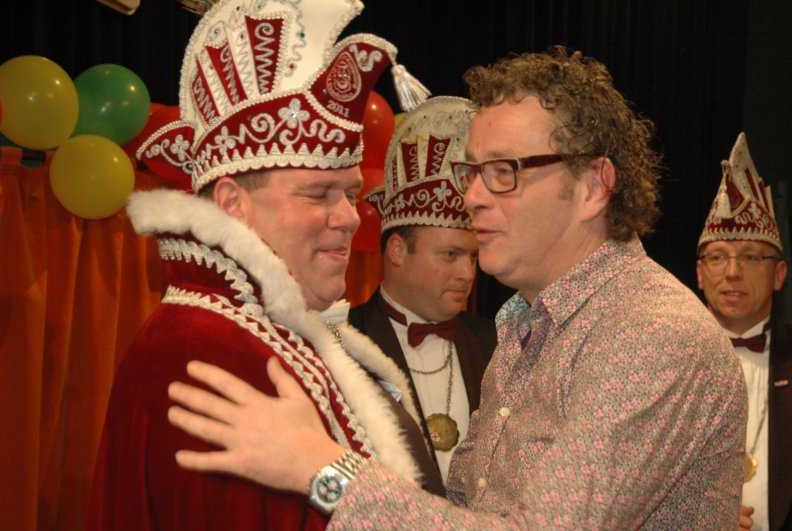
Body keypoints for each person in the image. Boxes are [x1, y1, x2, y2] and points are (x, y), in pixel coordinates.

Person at [164, 46, 748, 528]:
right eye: (471, 171)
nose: (471, 196)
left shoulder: (650, 333)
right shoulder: (524, 328)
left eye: (504, 171)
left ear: (594, 185)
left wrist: (326, 470)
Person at [85, 0, 443, 529]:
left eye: (350, 194)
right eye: (318, 194)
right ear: (233, 204)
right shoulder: (208, 349)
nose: (350, 217)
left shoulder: (264, 332)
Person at [349, 96, 496, 483]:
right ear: (398, 251)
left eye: (473, 257)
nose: (467, 273)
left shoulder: (498, 345)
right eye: (450, 255)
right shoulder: (341, 343)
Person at [696, 132, 792, 531]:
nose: (733, 272)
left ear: (779, 274)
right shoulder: (664, 361)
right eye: (718, 256)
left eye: (751, 257)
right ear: (700, 273)